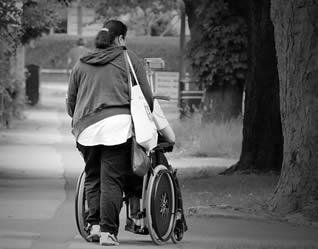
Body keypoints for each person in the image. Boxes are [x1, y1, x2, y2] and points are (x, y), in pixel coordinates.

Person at [66, 20, 153, 246]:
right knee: (112, 179)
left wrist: (79, 118)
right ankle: (108, 232)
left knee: (93, 177)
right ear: (120, 39)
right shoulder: (128, 58)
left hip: (85, 128)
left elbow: (71, 101)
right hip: (117, 127)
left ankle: (93, 226)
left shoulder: (82, 62)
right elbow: (146, 97)